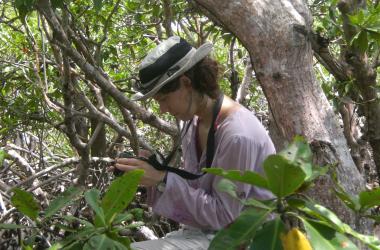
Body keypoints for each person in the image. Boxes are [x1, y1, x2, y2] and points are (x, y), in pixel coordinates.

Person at [114, 36, 275, 249]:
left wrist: (162, 179)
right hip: (202, 233)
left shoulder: (237, 134)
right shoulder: (195, 121)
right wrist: (153, 171)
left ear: (186, 83)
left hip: (240, 240)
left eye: (163, 99)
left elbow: (226, 216)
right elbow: (198, 187)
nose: (162, 109)